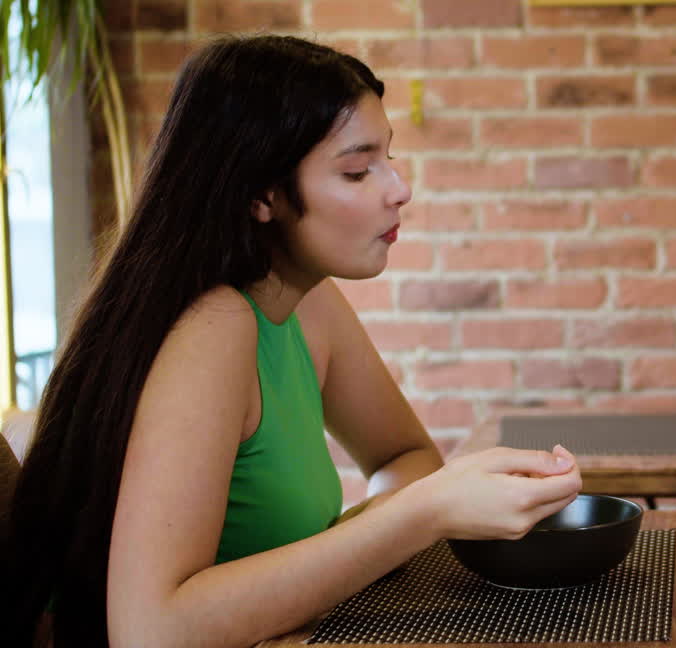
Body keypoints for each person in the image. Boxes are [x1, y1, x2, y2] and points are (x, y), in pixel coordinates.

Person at [0, 35, 583, 647]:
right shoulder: (212, 327)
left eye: (388, 158)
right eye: (358, 170)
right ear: (262, 195)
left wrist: (409, 514)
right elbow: (152, 632)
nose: (399, 188)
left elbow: (404, 458)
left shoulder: (309, 305)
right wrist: (423, 514)